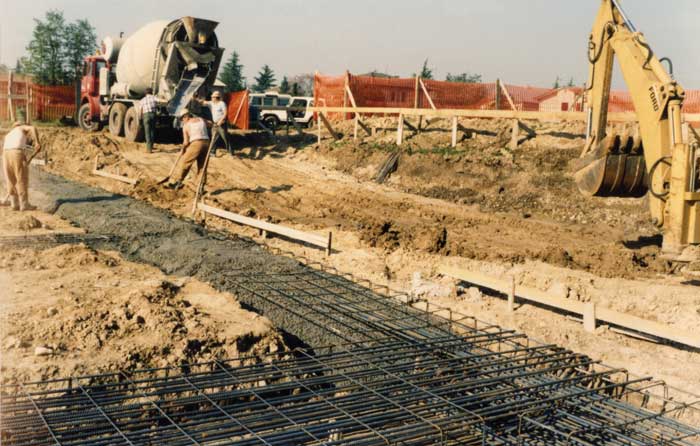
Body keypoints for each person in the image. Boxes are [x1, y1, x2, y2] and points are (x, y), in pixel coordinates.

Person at [1, 120, 41, 211]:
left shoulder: (9, 134)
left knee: (10, 179)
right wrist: (37, 142)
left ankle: (14, 204)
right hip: (16, 152)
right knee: (21, 178)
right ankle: (24, 204)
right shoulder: (21, 128)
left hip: (5, 154)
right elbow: (33, 128)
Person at [166, 111, 210, 189]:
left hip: (196, 143)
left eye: (182, 119)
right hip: (206, 143)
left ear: (186, 116)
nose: (182, 121)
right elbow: (210, 123)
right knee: (202, 166)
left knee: (185, 162)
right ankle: (201, 186)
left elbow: (186, 142)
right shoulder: (201, 119)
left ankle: (179, 182)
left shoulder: (186, 125)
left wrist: (183, 149)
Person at [198, 91, 230, 155]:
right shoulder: (211, 103)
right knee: (213, 138)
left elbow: (225, 113)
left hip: (221, 124)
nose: (212, 98)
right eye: (212, 97)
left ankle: (230, 152)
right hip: (215, 124)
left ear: (216, 98)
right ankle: (212, 152)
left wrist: (221, 121)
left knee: (225, 138)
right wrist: (196, 98)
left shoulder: (222, 103)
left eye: (213, 97)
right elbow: (202, 102)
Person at [138, 87, 157, 153]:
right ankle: (151, 146)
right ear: (151, 92)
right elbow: (160, 102)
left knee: (147, 132)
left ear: (145, 93)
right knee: (152, 131)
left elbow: (140, 110)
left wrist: (140, 118)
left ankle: (149, 150)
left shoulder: (142, 100)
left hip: (146, 116)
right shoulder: (154, 98)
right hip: (153, 115)